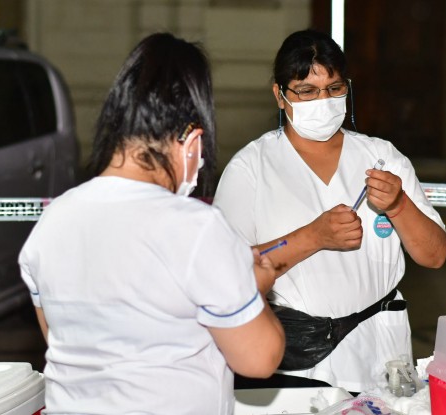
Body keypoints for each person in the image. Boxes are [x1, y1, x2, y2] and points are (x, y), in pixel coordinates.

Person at [18, 33, 285, 413]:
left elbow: (60, 339)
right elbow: (259, 360)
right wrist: (254, 289)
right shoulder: (195, 228)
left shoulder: (52, 221)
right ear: (192, 141)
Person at [213, 29, 446, 393]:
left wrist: (400, 206)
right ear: (280, 95)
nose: (323, 101)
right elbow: (229, 273)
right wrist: (313, 237)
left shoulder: (381, 157)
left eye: (335, 89)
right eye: (307, 91)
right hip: (299, 362)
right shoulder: (252, 168)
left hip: (381, 352)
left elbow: (434, 255)